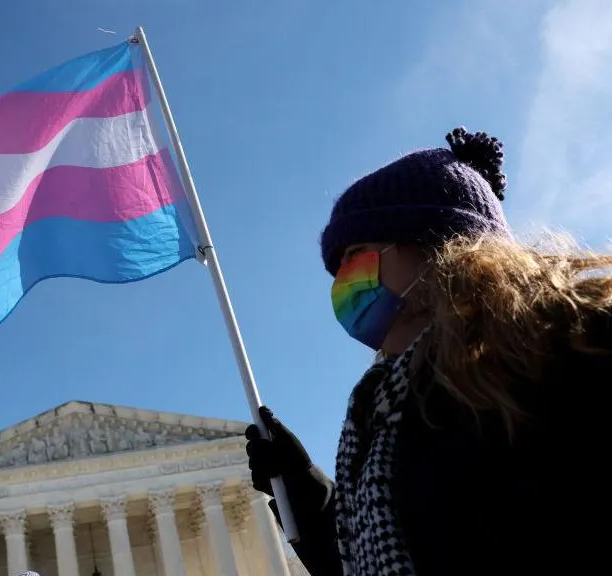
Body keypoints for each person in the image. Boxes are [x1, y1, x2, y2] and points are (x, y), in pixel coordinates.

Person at [246, 127, 610, 575]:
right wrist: (303, 490)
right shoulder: (383, 414)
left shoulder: (571, 352)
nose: (342, 280)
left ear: (435, 246)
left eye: (354, 254)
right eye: (337, 268)